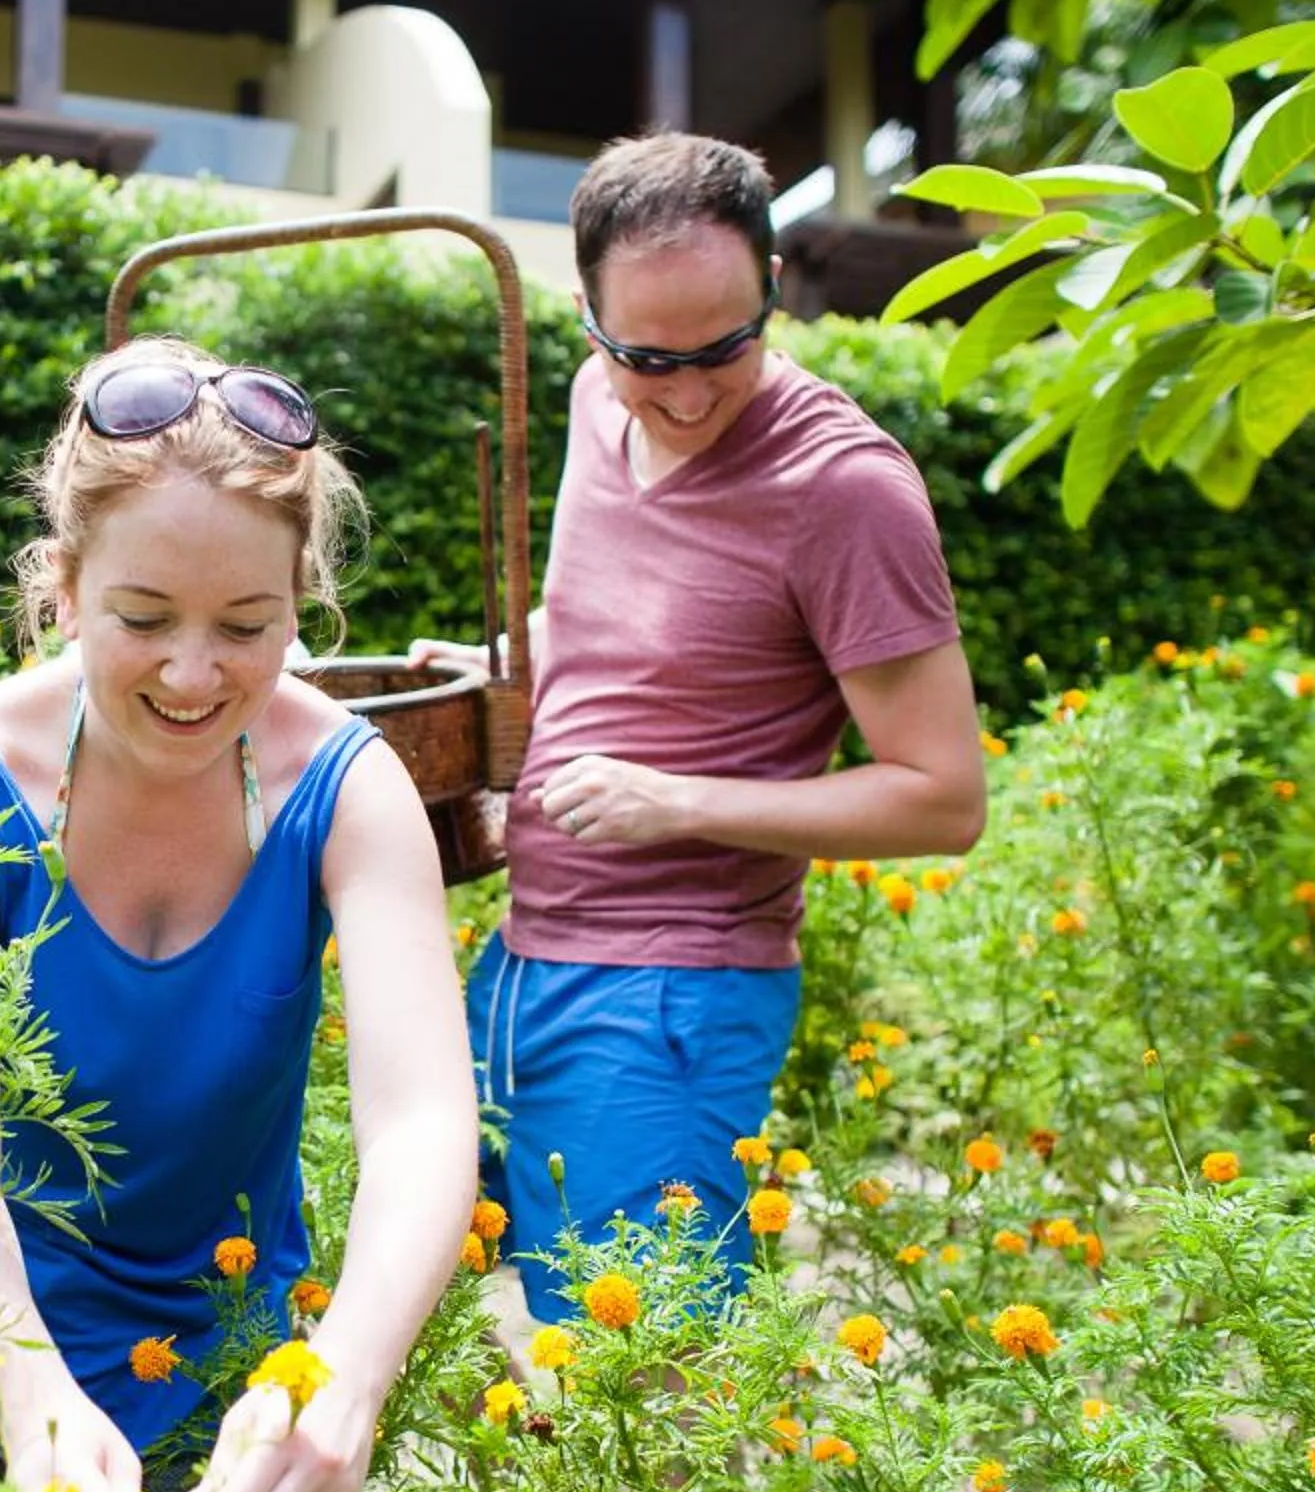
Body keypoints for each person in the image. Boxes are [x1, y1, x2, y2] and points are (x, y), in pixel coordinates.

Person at [0, 335, 476, 1492]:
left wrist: (344, 1381)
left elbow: (425, 1122)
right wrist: (24, 1394)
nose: (195, 675)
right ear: (65, 583)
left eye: (247, 628)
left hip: (221, 1352)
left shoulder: (349, 787)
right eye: (143, 620)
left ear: (300, 599)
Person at [418, 132, 985, 1324]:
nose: (684, 393)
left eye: (725, 348)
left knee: (650, 1373)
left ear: (775, 289)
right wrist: (514, 662)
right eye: (645, 355)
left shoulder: (846, 492)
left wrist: (678, 801)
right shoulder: (591, 401)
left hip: (673, 995)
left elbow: (944, 795)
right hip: (524, 957)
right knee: (436, 1292)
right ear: (588, 320)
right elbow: (640, 615)